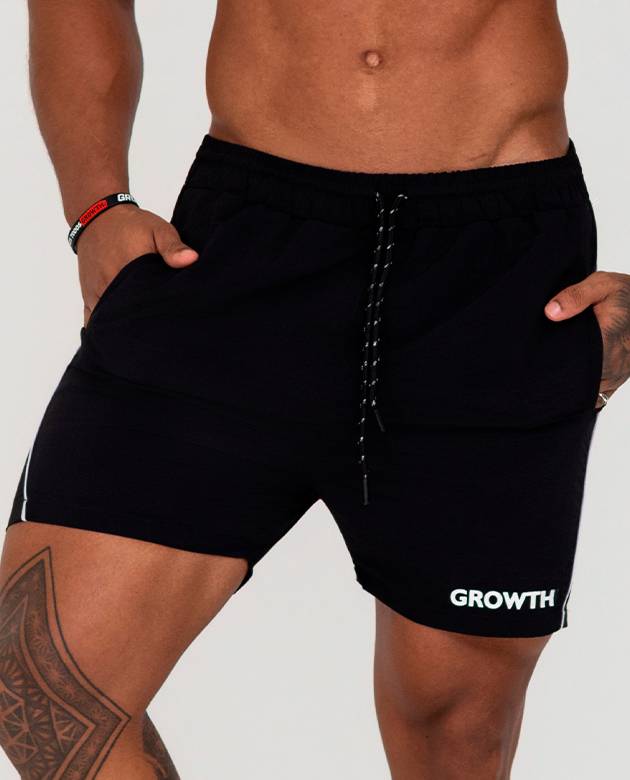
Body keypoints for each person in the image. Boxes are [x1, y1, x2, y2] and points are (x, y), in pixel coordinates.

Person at [2, 1, 629, 777]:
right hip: (238, 253)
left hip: (498, 278)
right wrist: (96, 205)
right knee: (39, 684)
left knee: (455, 732)